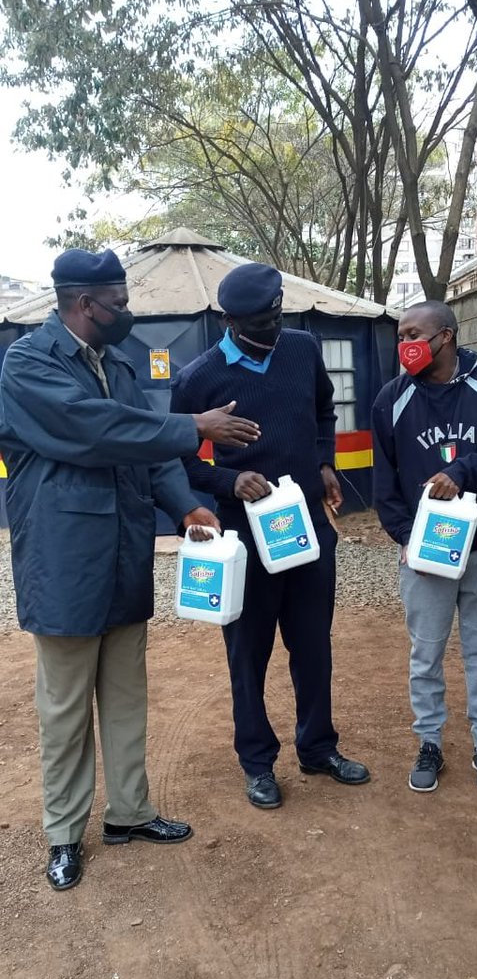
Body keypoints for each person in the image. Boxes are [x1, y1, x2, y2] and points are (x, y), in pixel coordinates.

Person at [0, 248, 260, 891]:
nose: (128, 313)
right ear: (84, 303)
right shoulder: (28, 363)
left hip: (124, 555)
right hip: (63, 564)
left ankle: (131, 812)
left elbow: (150, 451)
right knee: (64, 710)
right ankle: (63, 832)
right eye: (119, 302)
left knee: (125, 697)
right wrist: (193, 425)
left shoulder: (118, 361)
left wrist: (190, 506)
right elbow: (95, 431)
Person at [171, 262, 369, 808]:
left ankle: (318, 747)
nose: (272, 329)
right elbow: (176, 462)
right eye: (259, 322)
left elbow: (324, 412)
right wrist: (230, 480)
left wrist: (325, 463)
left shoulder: (302, 350)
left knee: (312, 644)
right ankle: (257, 762)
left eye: (277, 315)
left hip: (302, 524)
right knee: (248, 652)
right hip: (243, 535)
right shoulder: (199, 378)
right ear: (231, 320)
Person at [372, 300, 477, 793]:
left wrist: (462, 473)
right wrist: (404, 538)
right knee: (426, 653)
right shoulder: (391, 399)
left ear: (446, 336)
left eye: (413, 334)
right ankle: (430, 743)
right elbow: (385, 482)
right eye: (399, 337)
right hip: (427, 555)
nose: (405, 346)